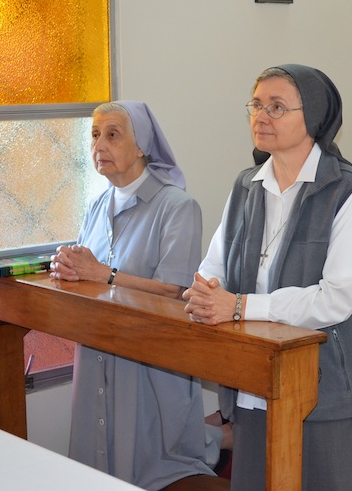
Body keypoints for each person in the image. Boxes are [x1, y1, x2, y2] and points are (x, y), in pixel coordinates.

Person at [182, 65, 352, 490]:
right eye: (256, 105)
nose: (261, 116)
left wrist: (239, 306)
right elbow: (214, 264)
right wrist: (206, 292)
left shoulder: (349, 192)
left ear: (316, 117)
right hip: (256, 372)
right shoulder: (246, 187)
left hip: (327, 382)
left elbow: (337, 298)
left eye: (277, 107)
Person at [49, 101, 221, 489]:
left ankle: (214, 439)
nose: (99, 145)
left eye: (112, 135)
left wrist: (104, 274)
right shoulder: (96, 206)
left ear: (142, 145)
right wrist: (68, 268)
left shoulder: (178, 207)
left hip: (150, 359)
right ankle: (218, 435)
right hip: (98, 348)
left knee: (149, 463)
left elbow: (175, 291)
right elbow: (89, 274)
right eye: (95, 135)